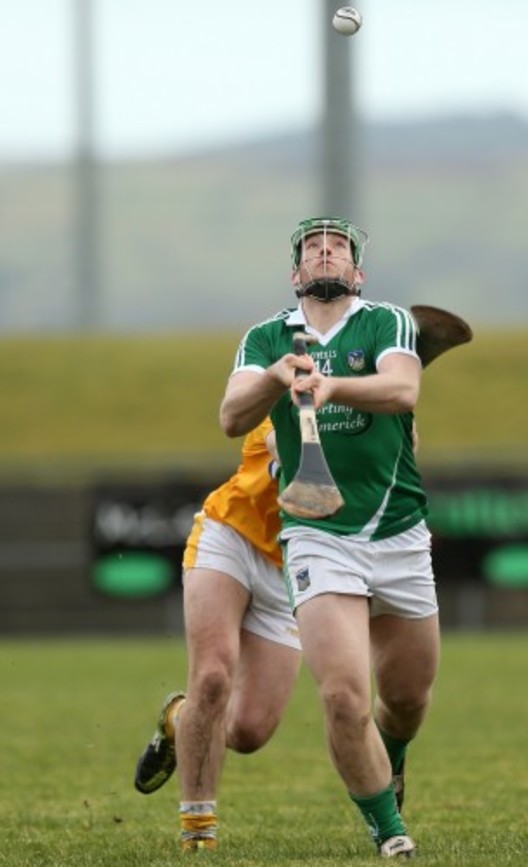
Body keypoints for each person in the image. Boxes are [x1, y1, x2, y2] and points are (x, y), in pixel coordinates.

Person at [219, 217, 441, 859]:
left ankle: (391, 758)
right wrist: (276, 378)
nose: (325, 252)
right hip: (316, 531)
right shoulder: (265, 338)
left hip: (398, 530)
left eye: (338, 247)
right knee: (346, 695)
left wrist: (330, 383)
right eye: (312, 248)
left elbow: (403, 388)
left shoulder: (386, 323)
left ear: (357, 273)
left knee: (405, 700)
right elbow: (232, 416)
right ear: (295, 275)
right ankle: (389, 831)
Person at [133, 418, 301, 853]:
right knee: (211, 676)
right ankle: (198, 830)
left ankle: (178, 720)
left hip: (286, 568)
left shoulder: (365, 396)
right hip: (229, 537)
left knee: (249, 731)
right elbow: (285, 443)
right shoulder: (292, 389)